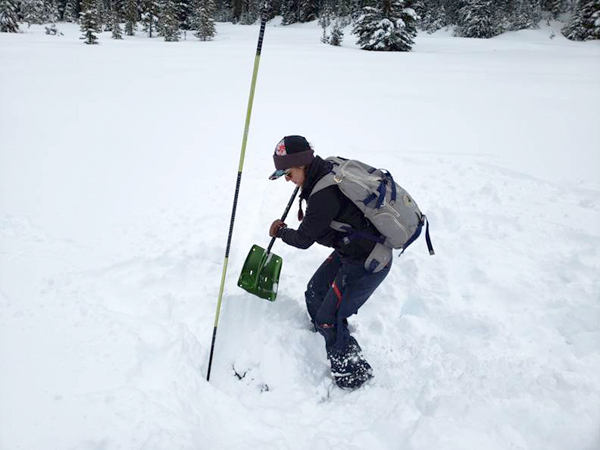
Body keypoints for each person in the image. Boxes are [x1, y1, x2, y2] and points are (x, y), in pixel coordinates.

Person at [268, 135, 392, 389]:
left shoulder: (323, 194)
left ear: (302, 165)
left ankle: (352, 375)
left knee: (329, 316)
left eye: (288, 173)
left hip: (368, 259)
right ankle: (330, 336)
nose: (287, 180)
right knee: (315, 292)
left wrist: (279, 231)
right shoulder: (321, 173)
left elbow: (304, 239)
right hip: (349, 249)